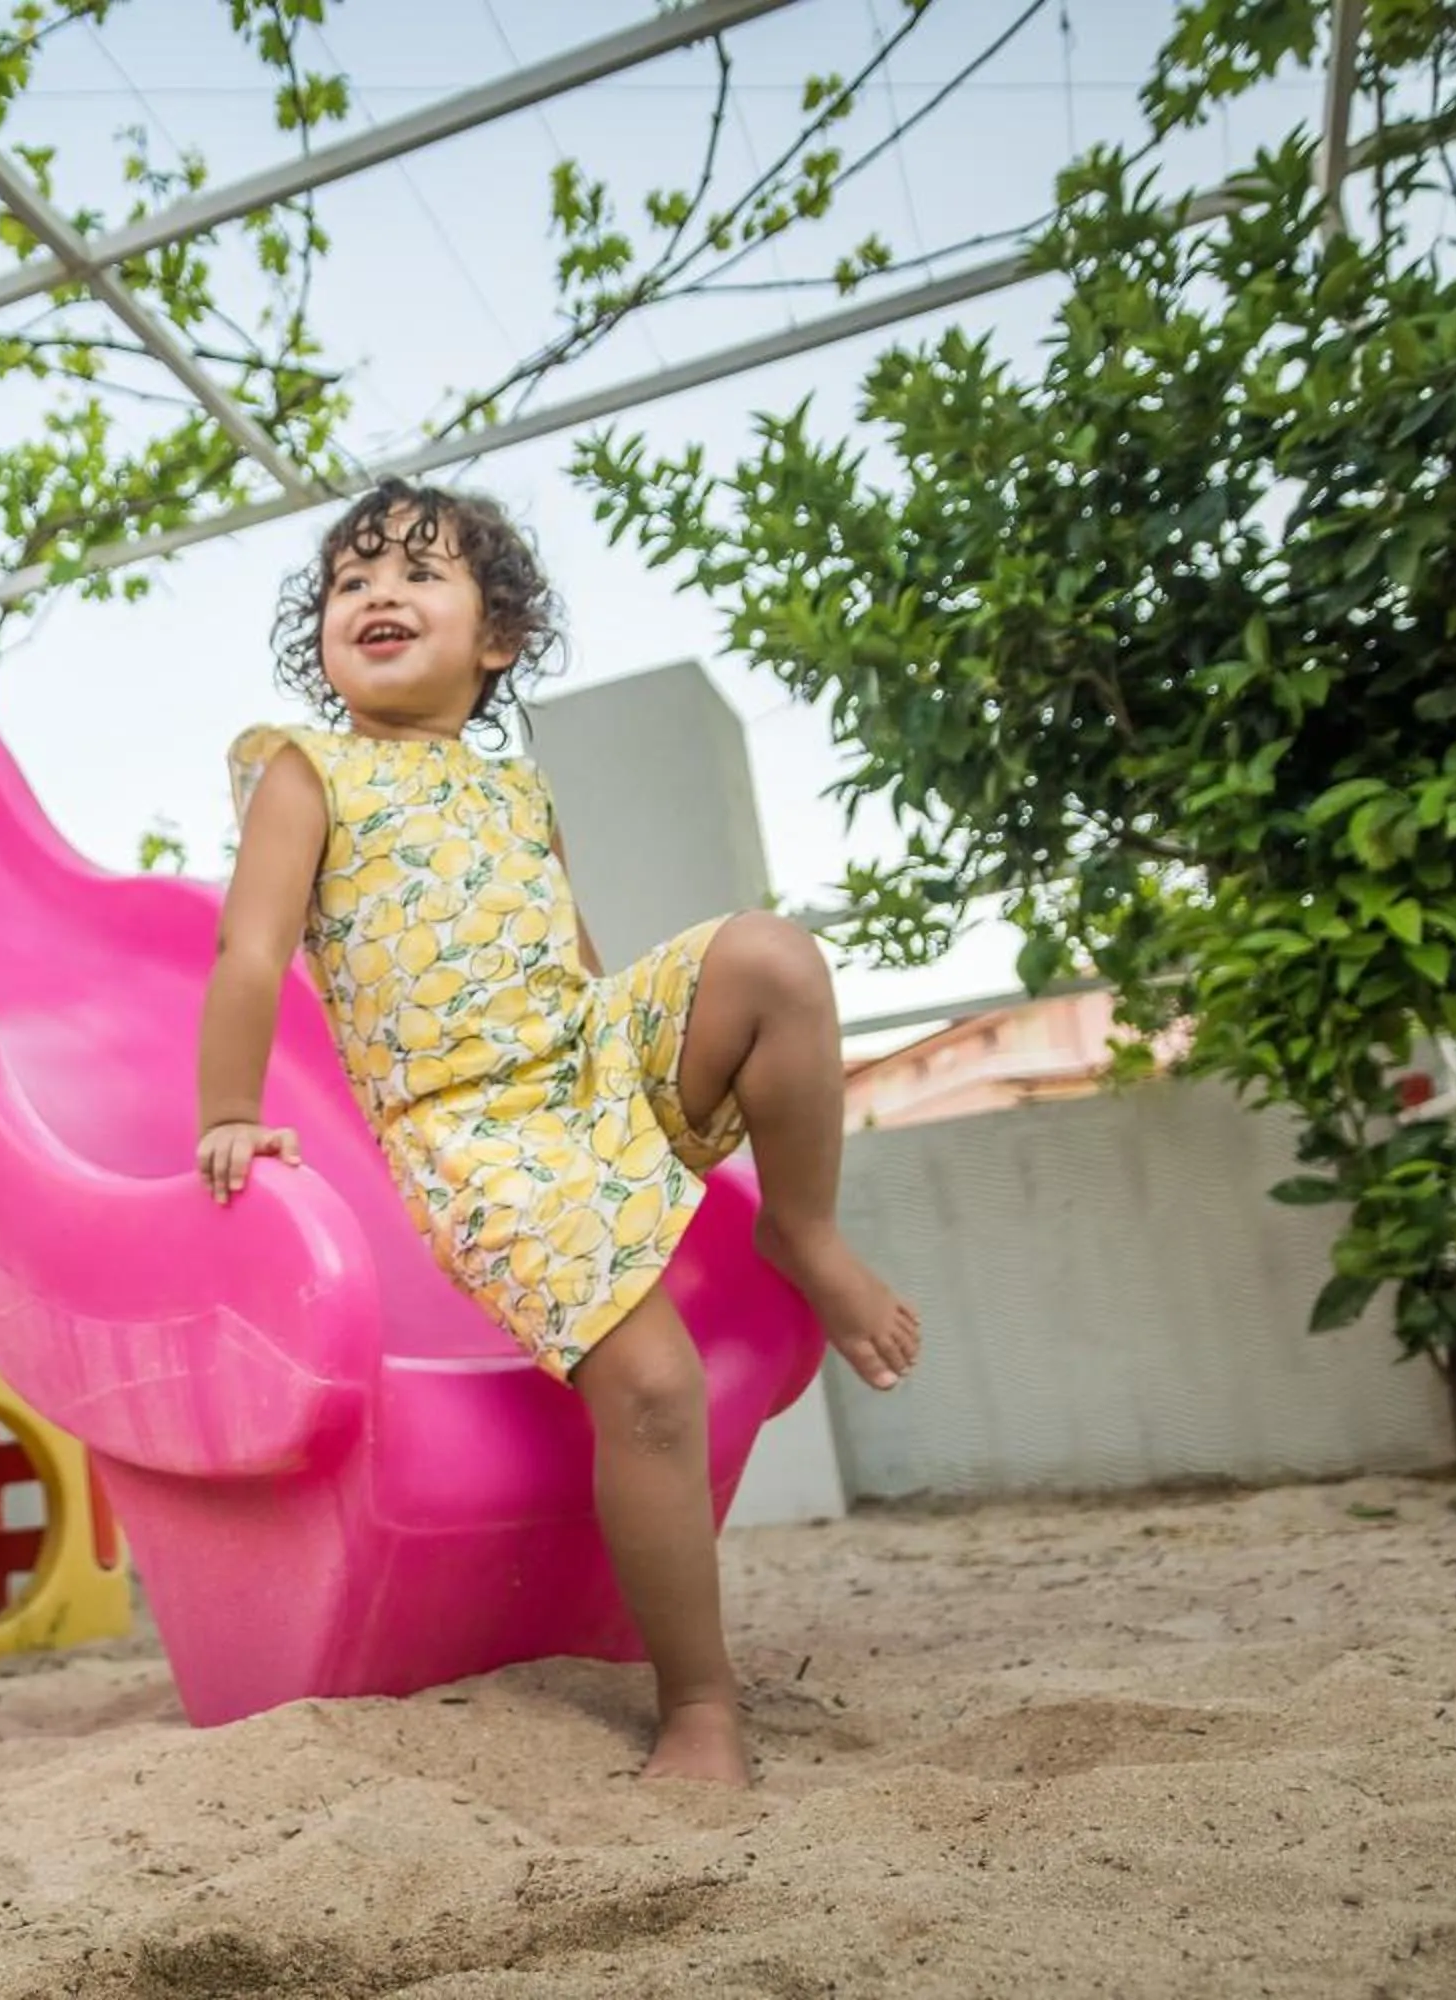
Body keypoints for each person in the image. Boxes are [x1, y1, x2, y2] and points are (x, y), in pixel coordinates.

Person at [195, 477, 922, 1786]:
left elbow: (574, 966)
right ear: (324, 636)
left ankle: (804, 1230)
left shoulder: (518, 790)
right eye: (352, 579)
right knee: (650, 1388)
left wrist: (644, 1072)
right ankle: (699, 1707)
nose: (378, 592)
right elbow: (250, 952)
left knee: (772, 957)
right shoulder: (310, 773)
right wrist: (233, 1112)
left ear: (497, 641)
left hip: (584, 1064)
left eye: (420, 573)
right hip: (474, 1133)